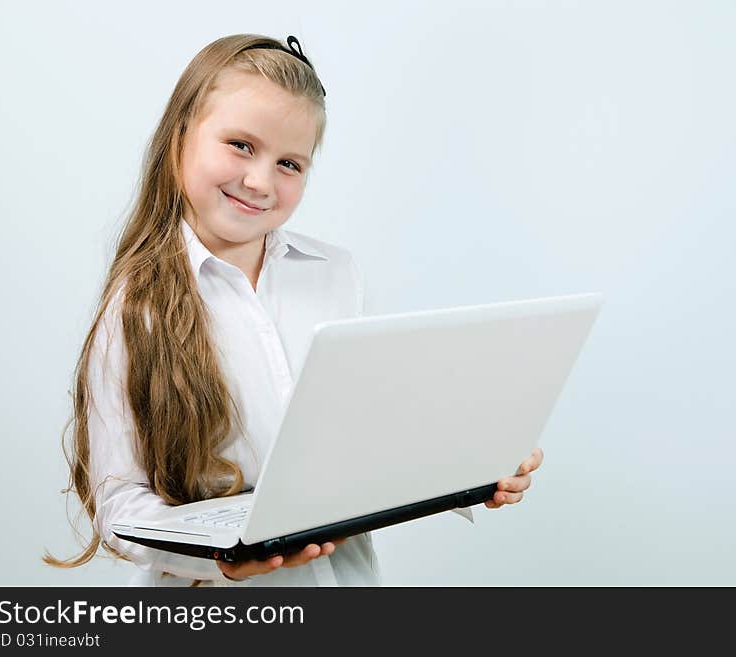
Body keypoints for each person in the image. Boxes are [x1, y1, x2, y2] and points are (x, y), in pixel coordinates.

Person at [45, 33, 543, 586]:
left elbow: (373, 435)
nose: (259, 181)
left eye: (289, 163)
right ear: (181, 133)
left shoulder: (335, 273)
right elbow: (119, 504)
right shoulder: (134, 308)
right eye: (240, 145)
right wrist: (222, 556)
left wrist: (471, 468)